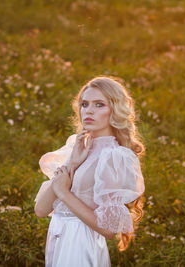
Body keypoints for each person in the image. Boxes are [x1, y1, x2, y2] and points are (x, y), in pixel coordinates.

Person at [34, 76, 145, 267]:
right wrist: (72, 162)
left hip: (81, 243)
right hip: (59, 237)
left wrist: (64, 193)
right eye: (85, 104)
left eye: (99, 104)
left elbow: (108, 230)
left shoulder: (113, 156)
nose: (89, 111)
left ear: (115, 110)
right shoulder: (76, 147)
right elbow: (41, 210)